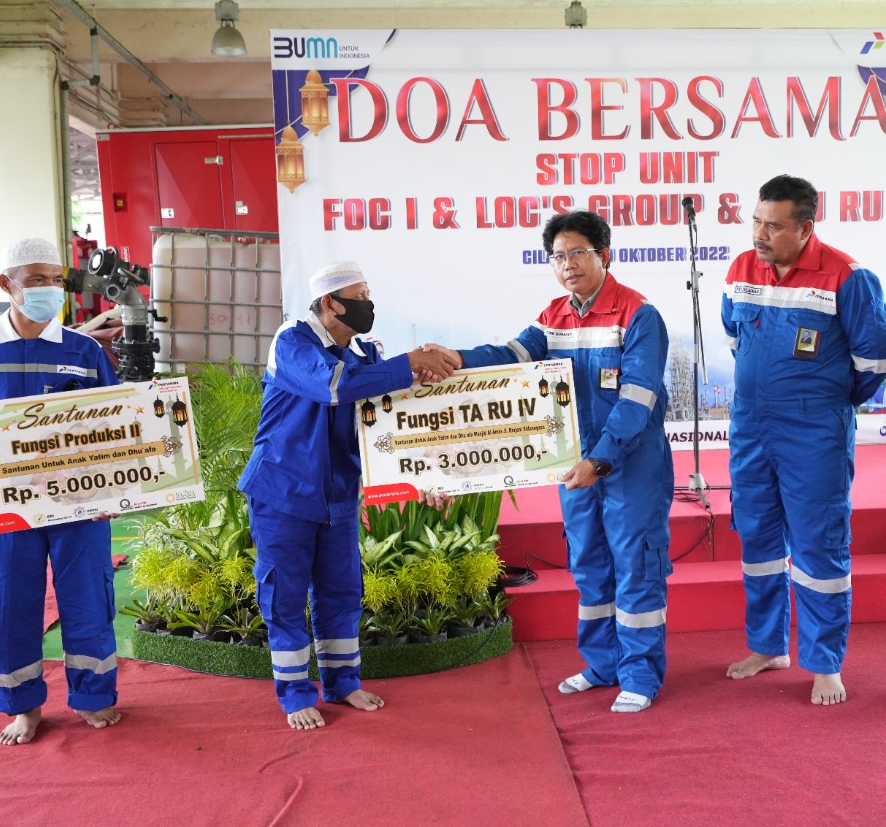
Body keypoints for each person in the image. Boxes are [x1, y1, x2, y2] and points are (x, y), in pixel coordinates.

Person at [429, 210, 673, 713]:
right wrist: (456, 358)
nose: (567, 264)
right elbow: (512, 354)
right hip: (576, 464)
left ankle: (641, 674)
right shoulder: (554, 315)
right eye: (558, 256)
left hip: (630, 464)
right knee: (589, 565)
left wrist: (600, 460)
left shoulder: (638, 315)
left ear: (605, 255)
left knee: (636, 565)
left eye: (578, 252)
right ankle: (603, 663)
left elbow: (638, 399)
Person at [237, 261, 456, 730]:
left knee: (341, 592)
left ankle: (343, 682)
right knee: (285, 595)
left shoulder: (365, 350)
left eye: (368, 294)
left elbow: (391, 417)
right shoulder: (291, 341)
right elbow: (333, 387)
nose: (368, 304)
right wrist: (409, 363)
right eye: (358, 295)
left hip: (338, 493)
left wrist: (428, 469)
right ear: (331, 303)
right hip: (283, 491)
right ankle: (296, 693)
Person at [0, 237, 123, 745]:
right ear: (6, 286)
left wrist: (114, 491)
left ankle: (93, 696)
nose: (49, 290)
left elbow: (121, 427)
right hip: (4, 504)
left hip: (78, 501)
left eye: (57, 279)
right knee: (9, 600)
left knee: (87, 597)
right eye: (36, 280)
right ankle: (22, 704)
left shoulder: (84, 350)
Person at [722, 174, 886, 705]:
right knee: (758, 541)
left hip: (813, 430)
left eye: (773, 226)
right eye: (755, 221)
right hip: (751, 425)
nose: (760, 234)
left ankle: (824, 663)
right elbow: (735, 336)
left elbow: (875, 360)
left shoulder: (848, 277)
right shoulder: (741, 269)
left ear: (805, 227)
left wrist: (824, 398)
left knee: (819, 544)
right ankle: (769, 646)